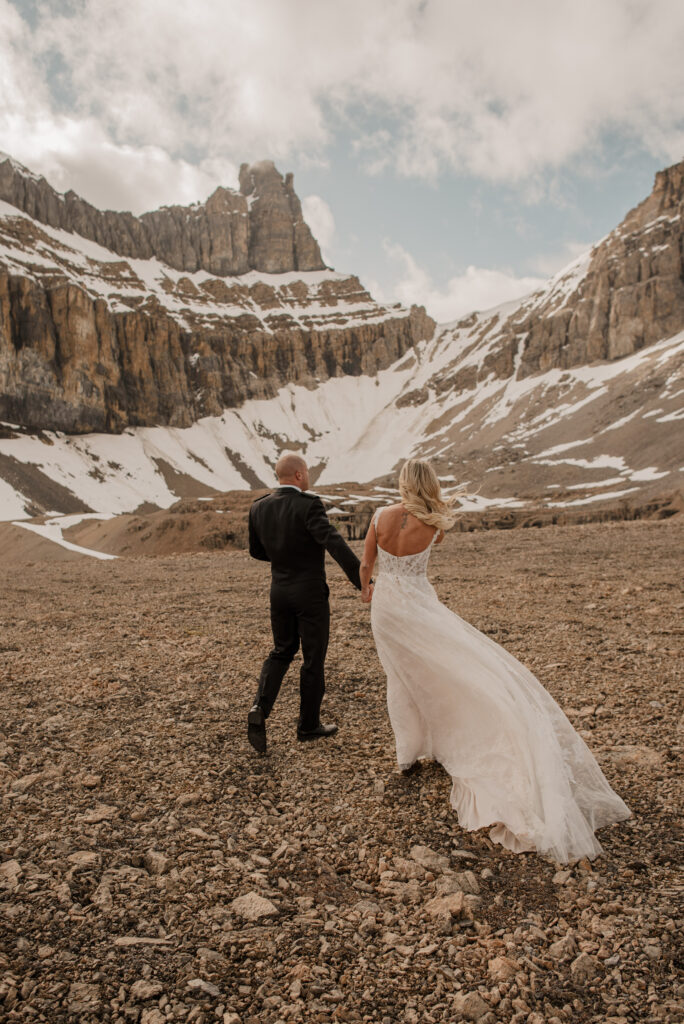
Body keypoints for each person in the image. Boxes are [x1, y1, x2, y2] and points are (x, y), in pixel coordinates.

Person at [360, 458, 630, 863]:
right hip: (419, 605)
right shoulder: (436, 525)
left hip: (385, 609)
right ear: (428, 484)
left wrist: (367, 590)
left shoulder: (380, 515)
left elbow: (367, 564)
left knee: (398, 676)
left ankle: (408, 753)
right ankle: (435, 741)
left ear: (402, 482)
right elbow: (424, 556)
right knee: (440, 673)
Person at [247, 452, 362, 752]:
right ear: (299, 475)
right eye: (307, 472)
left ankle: (260, 707)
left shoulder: (258, 507)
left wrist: (283, 555)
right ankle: (308, 725)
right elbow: (333, 542)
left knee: (281, 651)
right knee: (313, 658)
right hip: (309, 593)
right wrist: (362, 580)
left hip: (279, 591)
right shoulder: (309, 504)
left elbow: (257, 551)